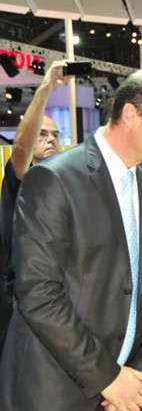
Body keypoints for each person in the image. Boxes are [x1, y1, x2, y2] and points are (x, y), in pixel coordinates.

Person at [0, 67, 142, 411]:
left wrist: (141, 379)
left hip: (127, 394)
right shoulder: (53, 179)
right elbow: (39, 293)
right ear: (131, 114)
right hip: (52, 393)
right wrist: (109, 378)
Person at [0, 60, 70, 354]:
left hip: (54, 297)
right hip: (15, 300)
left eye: (55, 135)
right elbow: (21, 148)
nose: (51, 139)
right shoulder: (22, 176)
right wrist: (45, 90)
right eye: (43, 134)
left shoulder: (65, 183)